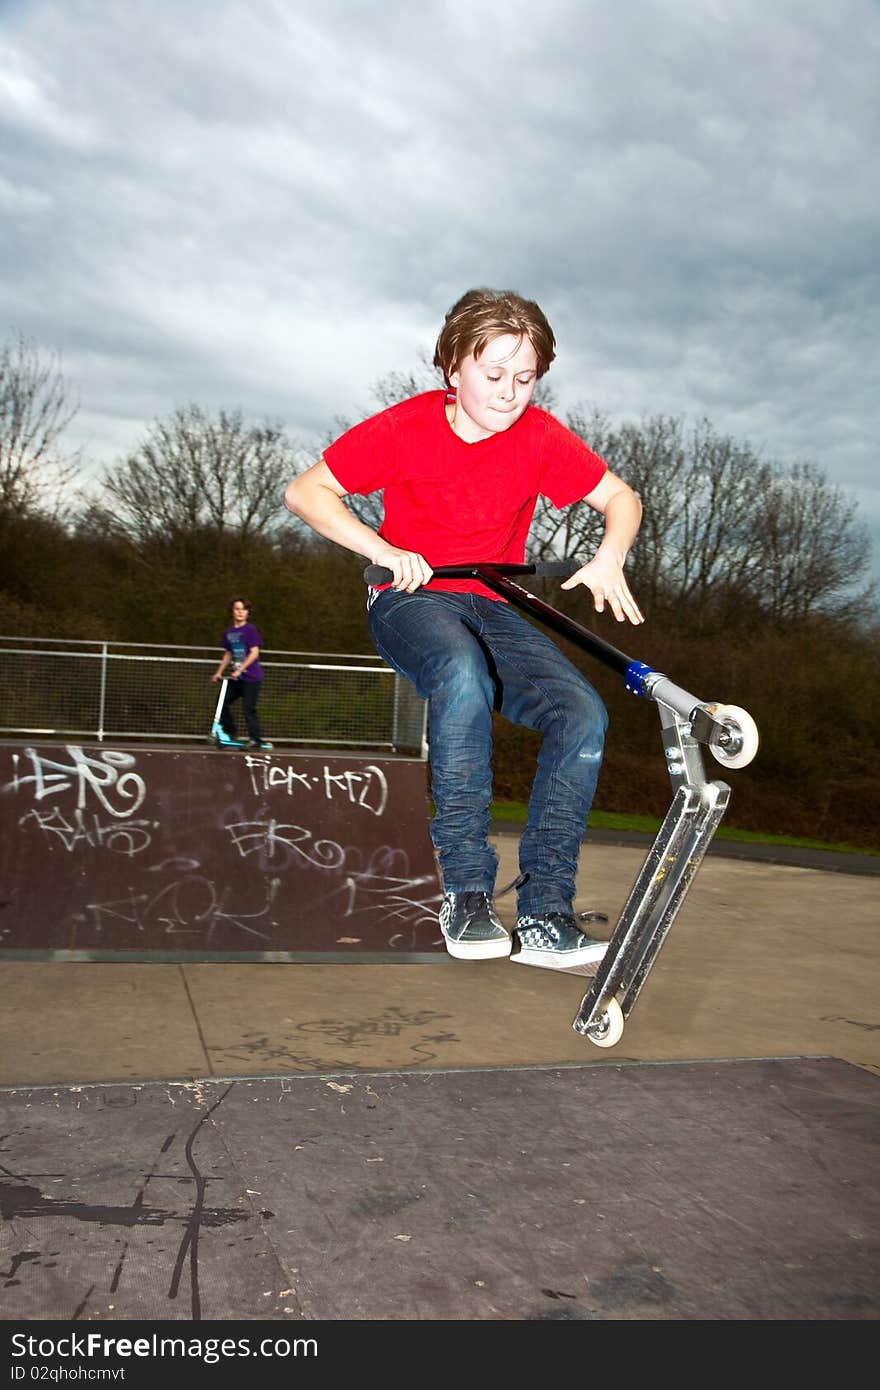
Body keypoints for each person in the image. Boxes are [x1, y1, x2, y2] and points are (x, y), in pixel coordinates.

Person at [283, 287, 643, 972]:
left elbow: (620, 497)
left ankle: (543, 914)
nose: (510, 393)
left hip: (495, 605)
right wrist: (380, 549)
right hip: (412, 600)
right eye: (494, 373)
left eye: (526, 378)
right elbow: (306, 492)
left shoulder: (539, 437)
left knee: (583, 714)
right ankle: (467, 892)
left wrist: (610, 552)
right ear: (454, 368)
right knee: (461, 674)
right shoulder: (407, 427)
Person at [211, 598, 272, 750]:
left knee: (248, 708)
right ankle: (231, 733)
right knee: (221, 703)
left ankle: (255, 739)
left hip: (251, 677)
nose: (240, 612)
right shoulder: (229, 632)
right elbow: (228, 654)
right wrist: (218, 672)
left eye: (243, 609)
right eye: (237, 609)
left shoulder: (250, 630)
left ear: (247, 613)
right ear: (233, 611)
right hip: (237, 679)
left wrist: (240, 669)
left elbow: (254, 653)